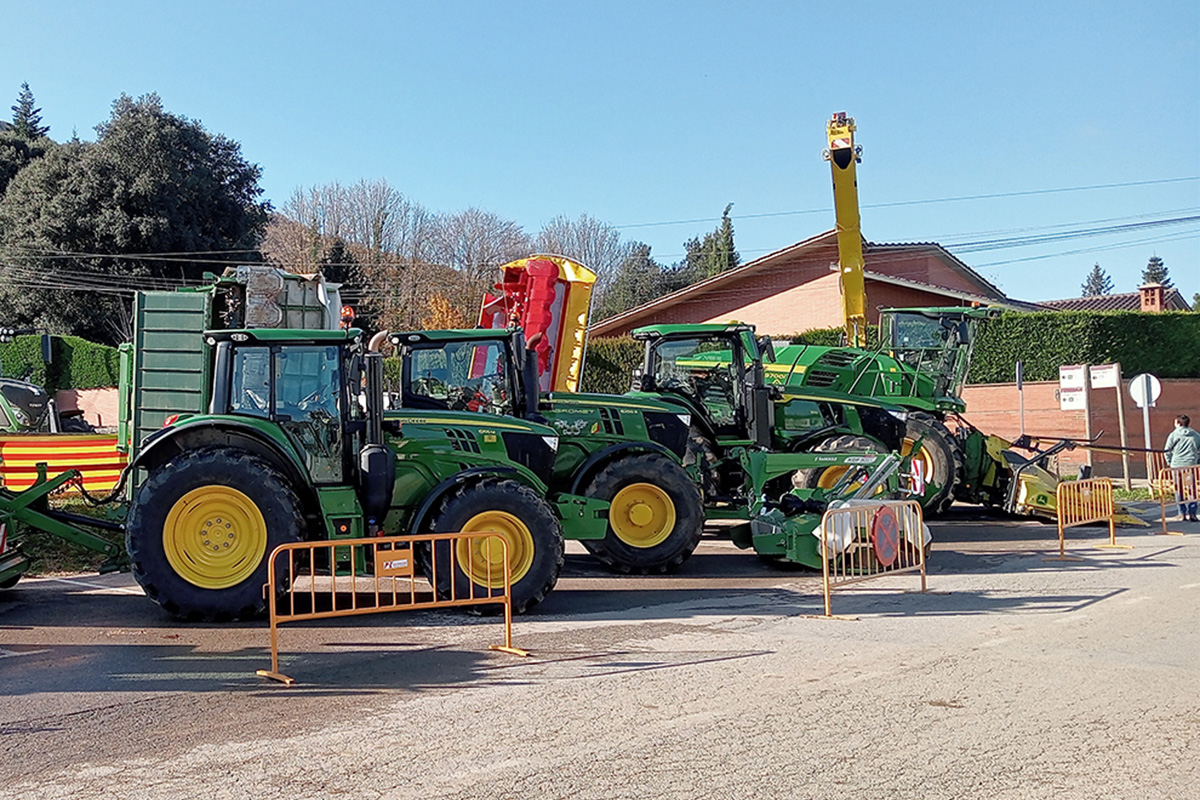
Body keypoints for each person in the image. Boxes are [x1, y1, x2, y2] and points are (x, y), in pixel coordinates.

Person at [1163, 414, 1200, 521]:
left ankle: (1181, 513)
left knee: (1179, 489)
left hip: (1176, 466)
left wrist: (1170, 462)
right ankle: (1192, 513)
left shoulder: (1173, 435)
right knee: (1191, 489)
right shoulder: (1195, 435)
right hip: (1190, 466)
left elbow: (1167, 451)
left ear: (1178, 423)